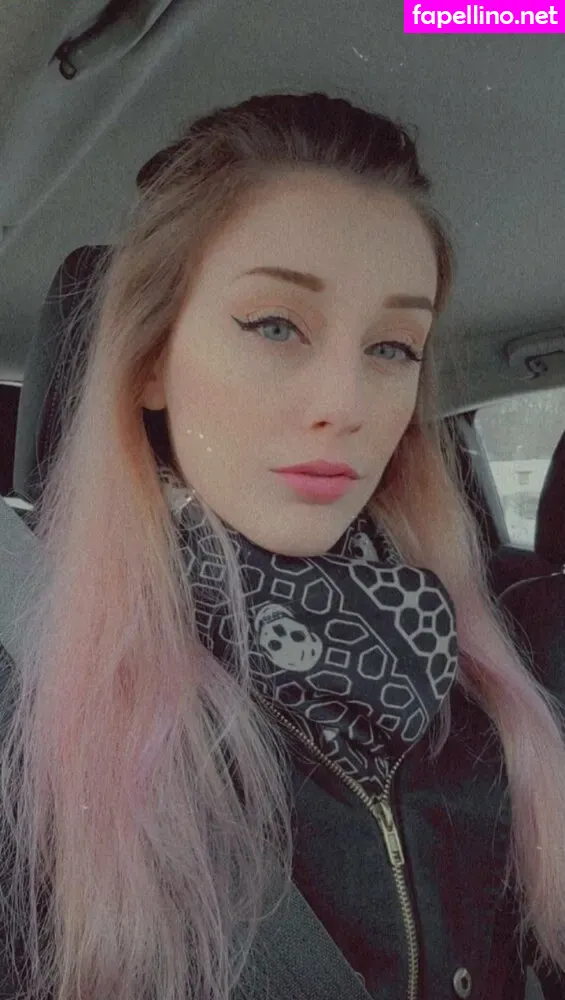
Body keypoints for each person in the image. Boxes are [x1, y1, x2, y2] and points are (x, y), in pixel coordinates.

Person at [0, 90, 564, 1000]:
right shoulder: (26, 709)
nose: (344, 403)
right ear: (151, 361)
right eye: (274, 325)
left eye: (392, 346)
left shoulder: (493, 661)